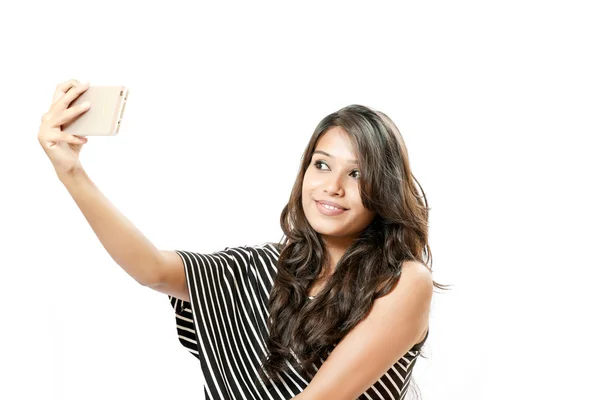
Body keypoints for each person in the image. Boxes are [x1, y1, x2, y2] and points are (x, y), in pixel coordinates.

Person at [38, 79, 449, 400]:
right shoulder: (265, 269)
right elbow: (153, 270)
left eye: (356, 174)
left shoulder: (403, 282)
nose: (333, 187)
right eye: (321, 165)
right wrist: (70, 171)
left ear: (385, 187)